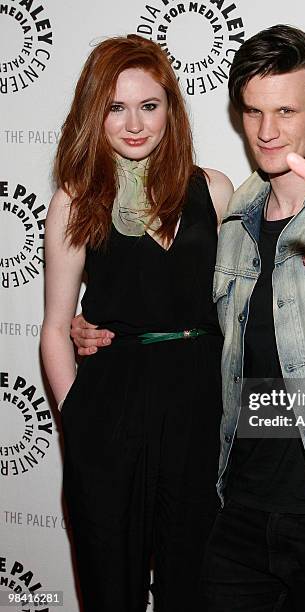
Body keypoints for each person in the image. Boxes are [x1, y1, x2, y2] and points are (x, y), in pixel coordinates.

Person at [72, 25, 305, 612]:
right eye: (253, 111)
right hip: (235, 511)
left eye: (286, 110)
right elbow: (182, 312)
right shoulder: (232, 214)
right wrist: (87, 326)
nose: (267, 131)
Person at [40, 34, 233, 612]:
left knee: (192, 582)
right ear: (93, 114)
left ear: (171, 108)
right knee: (109, 583)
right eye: (115, 107)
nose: (134, 124)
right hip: (109, 408)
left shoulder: (214, 190)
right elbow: (54, 325)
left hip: (198, 407)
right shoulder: (76, 200)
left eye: (149, 105)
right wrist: (76, 413)